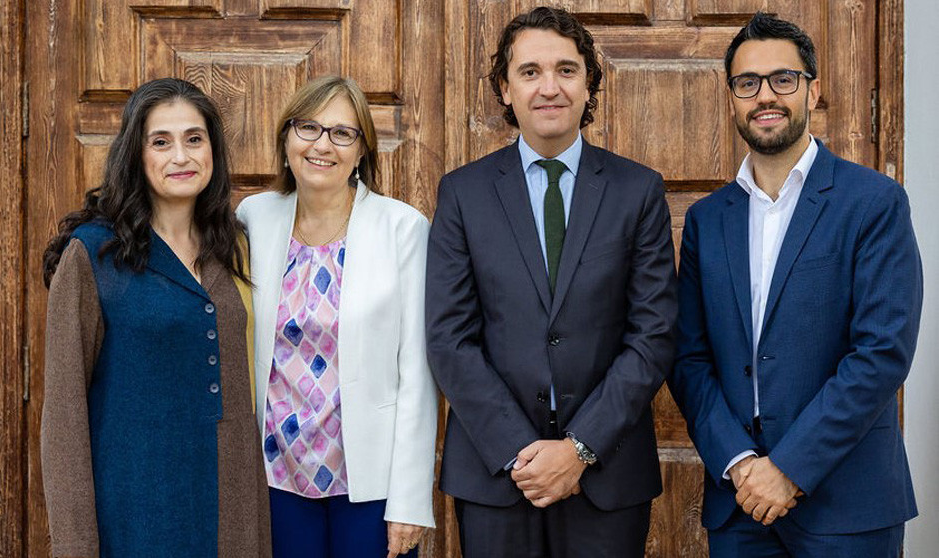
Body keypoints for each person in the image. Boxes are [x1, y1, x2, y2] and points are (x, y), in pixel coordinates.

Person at [425, 7, 678, 557]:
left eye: (566, 70)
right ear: (505, 86)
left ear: (589, 84)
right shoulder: (462, 194)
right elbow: (450, 338)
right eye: (530, 71)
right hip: (496, 478)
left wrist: (579, 449)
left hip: (606, 479)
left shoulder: (638, 191)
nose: (549, 88)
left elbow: (653, 334)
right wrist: (522, 452)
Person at [668, 12, 922, 557]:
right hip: (739, 507)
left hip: (848, 506)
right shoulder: (708, 220)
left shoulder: (874, 203)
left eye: (783, 79)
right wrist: (739, 463)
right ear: (732, 96)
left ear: (813, 88)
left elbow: (881, 353)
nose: (766, 96)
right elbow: (688, 358)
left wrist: (788, 467)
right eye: (748, 83)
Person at [40, 78, 270, 557]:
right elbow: (63, 415)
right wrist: (75, 544)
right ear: (136, 155)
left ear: (213, 150)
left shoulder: (235, 248)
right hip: (135, 515)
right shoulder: (92, 254)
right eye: (161, 142)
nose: (180, 157)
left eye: (194, 139)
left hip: (231, 515)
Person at [236, 75, 437, 558]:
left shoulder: (403, 228)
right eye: (308, 127)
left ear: (361, 150)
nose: (323, 144)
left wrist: (409, 499)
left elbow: (418, 373)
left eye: (342, 133)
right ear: (285, 138)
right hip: (274, 477)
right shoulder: (252, 217)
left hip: (370, 482)